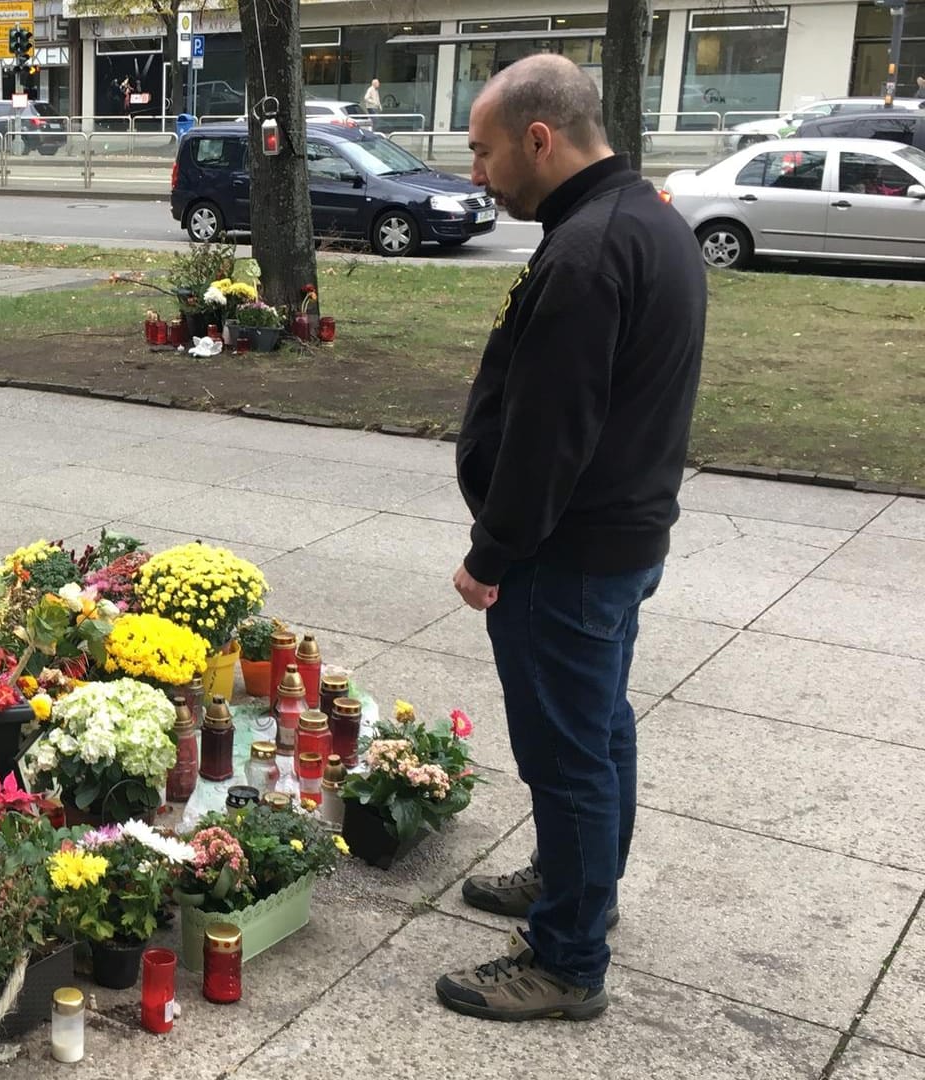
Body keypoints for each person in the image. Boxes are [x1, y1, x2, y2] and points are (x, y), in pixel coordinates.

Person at [435, 53, 705, 1024]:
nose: (478, 173)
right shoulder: (645, 220)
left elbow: (552, 436)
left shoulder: (589, 252)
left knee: (568, 756)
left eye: (485, 151)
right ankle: (574, 881)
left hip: (568, 555)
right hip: (619, 542)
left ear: (538, 139)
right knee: (599, 733)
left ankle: (567, 957)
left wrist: (492, 554)